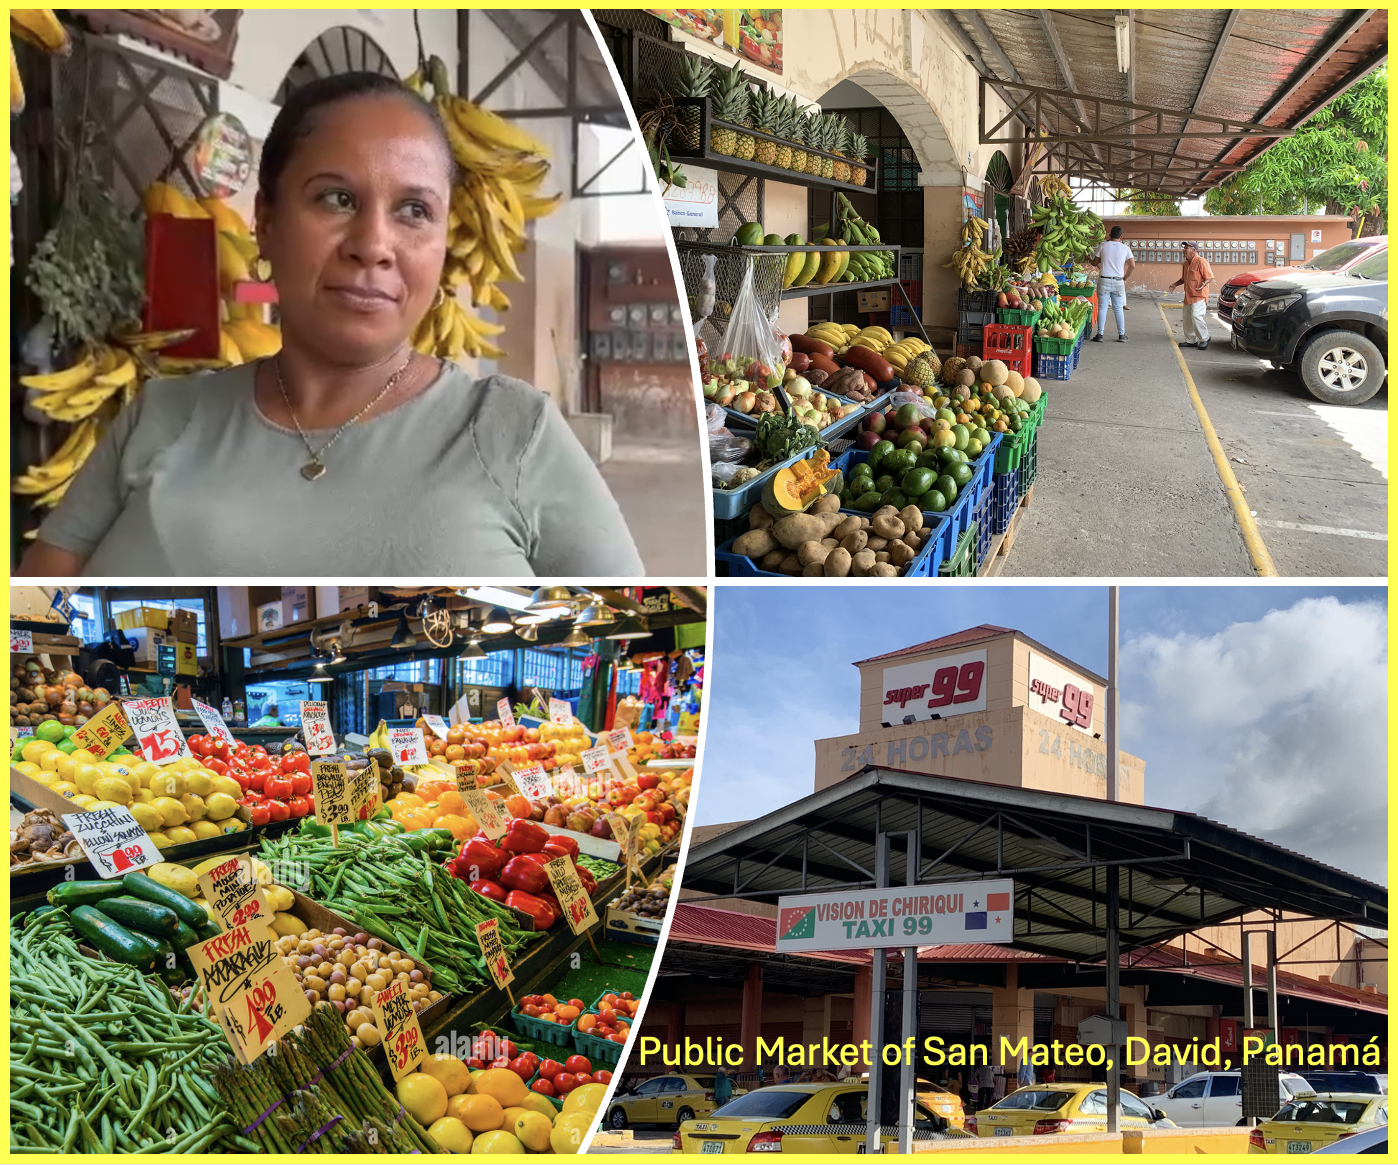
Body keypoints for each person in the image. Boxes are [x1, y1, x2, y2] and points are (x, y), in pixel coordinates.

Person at [18, 72, 643, 578]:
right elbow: (30, 626)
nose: (374, 244)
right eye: (336, 199)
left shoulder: (514, 435)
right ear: (266, 220)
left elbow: (629, 630)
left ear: (443, 241)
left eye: (414, 210)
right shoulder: (160, 416)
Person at [1088, 226, 1134, 342]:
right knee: (1118, 309)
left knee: (1102, 308)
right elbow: (1132, 266)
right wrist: (1125, 277)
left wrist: (1088, 258)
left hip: (1104, 280)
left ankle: (1100, 335)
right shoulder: (1125, 248)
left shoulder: (1103, 246)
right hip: (1118, 281)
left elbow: (1094, 262)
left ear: (1109, 235)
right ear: (1121, 237)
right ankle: (1122, 335)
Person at [1167, 240, 1215, 350]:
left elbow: (1209, 277)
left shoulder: (1201, 261)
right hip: (1188, 295)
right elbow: (1184, 279)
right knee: (1187, 318)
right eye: (1184, 248)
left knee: (1196, 316)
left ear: (1194, 250)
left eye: (1186, 248)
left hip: (1199, 294)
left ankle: (1205, 338)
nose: (1184, 250)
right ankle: (1191, 340)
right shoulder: (1186, 263)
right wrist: (1175, 284)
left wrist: (1204, 284)